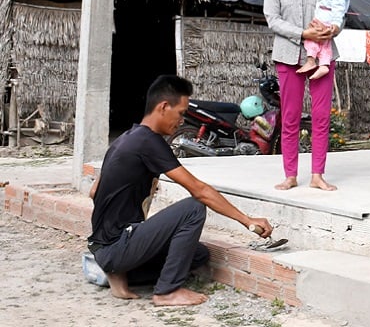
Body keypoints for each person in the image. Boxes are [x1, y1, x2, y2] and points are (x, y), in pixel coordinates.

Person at [88, 75, 273, 306]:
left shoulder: (124, 139)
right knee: (193, 208)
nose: (181, 121)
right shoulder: (149, 142)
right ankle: (166, 291)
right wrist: (247, 220)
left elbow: (94, 192)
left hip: (104, 248)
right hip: (117, 247)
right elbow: (199, 190)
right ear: (164, 107)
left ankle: (120, 273)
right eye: (180, 113)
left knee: (198, 255)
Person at [261, 0, 338, 191]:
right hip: (287, 55)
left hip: (323, 56)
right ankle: (290, 175)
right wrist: (304, 33)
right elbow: (272, 19)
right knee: (291, 116)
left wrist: (334, 29)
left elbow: (338, 12)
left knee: (321, 116)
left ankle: (317, 175)